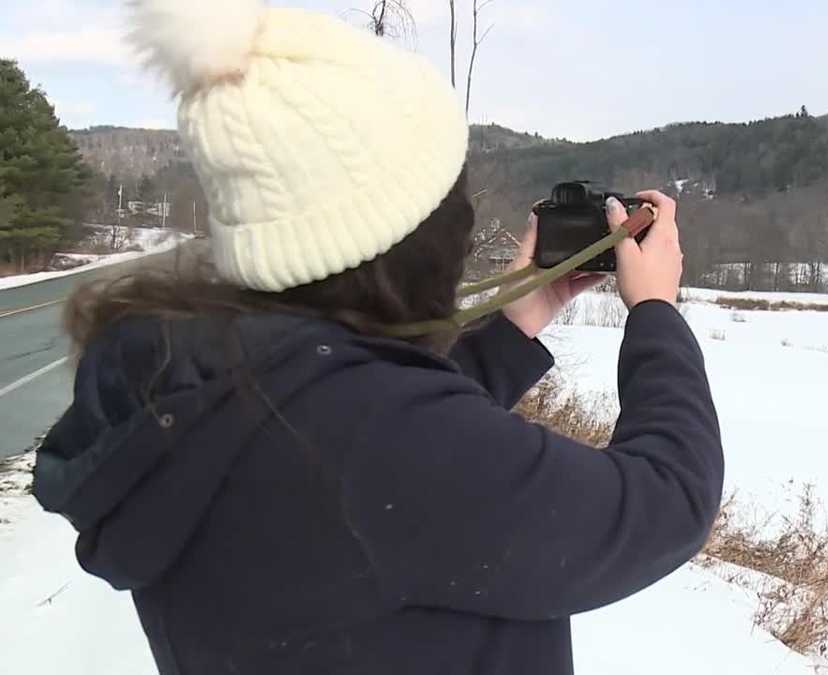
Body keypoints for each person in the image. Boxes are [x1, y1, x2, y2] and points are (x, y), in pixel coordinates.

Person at [32, 1, 723, 674]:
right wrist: (655, 309)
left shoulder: (212, 388)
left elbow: (377, 452)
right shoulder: (372, 443)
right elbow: (666, 498)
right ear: (405, 239)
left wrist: (520, 317)